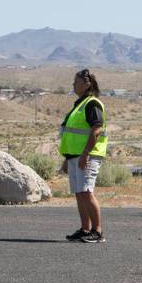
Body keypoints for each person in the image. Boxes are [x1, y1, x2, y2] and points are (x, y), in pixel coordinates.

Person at [58, 68, 108, 243]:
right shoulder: (79, 104)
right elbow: (72, 134)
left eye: (76, 82)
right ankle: (85, 229)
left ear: (87, 84)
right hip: (75, 156)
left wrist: (85, 154)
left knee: (87, 191)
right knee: (79, 193)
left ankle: (98, 231)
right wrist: (67, 158)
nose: (73, 85)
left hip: (88, 155)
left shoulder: (92, 104)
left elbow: (96, 129)